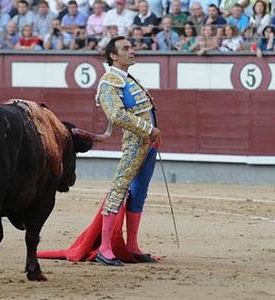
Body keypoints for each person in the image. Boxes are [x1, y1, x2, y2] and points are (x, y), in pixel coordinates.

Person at [93, 36, 162, 266]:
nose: (132, 51)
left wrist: (151, 133)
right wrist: (147, 128)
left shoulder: (128, 78)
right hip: (134, 143)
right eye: (126, 48)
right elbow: (116, 115)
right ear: (113, 55)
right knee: (118, 189)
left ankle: (132, 246)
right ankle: (104, 248)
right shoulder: (109, 82)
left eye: (131, 47)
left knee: (139, 192)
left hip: (148, 144)